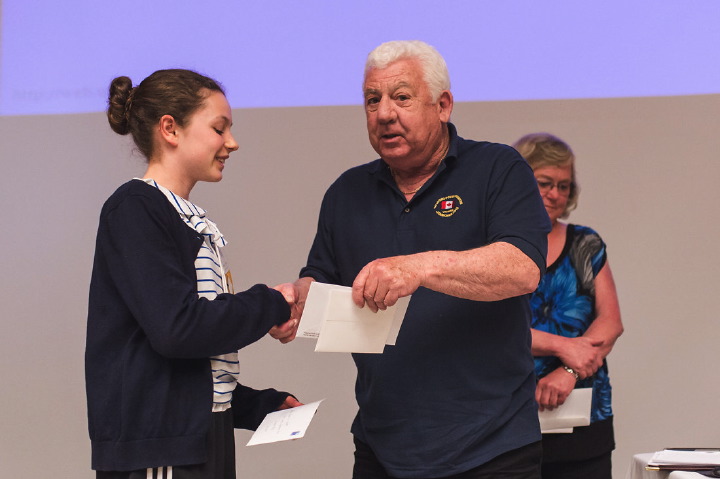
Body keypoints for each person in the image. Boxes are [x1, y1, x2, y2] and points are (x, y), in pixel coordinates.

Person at [293, 41, 551, 478]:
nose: (384, 113)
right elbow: (320, 278)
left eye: (401, 97)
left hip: (491, 447)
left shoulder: (497, 167)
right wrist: (299, 300)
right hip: (381, 446)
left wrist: (417, 268)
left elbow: (522, 269)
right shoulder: (346, 193)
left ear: (443, 105)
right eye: (372, 100)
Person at [85, 69, 301, 479]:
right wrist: (271, 303)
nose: (232, 142)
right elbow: (178, 329)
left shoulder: (187, 218)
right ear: (170, 129)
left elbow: (189, 362)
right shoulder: (136, 208)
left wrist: (255, 406)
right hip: (160, 451)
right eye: (219, 128)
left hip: (200, 439)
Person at [512, 133, 623, 479]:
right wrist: (563, 346)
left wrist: (569, 371)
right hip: (506, 422)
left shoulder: (585, 244)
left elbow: (610, 323)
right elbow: (485, 330)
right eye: (545, 183)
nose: (555, 194)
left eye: (564, 186)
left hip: (582, 418)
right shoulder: (493, 247)